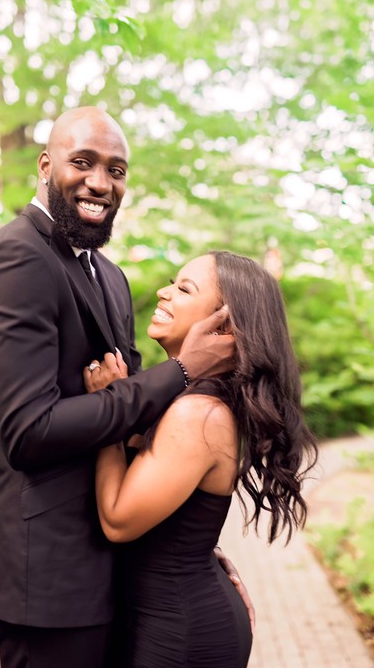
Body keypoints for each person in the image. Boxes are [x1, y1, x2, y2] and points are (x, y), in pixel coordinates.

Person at [0, 106, 252, 668]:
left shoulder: (108, 275)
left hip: (115, 568)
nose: (100, 182)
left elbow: (134, 419)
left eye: (116, 170)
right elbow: (30, 431)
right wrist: (183, 370)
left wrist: (190, 552)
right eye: (83, 163)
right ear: (46, 166)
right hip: (44, 579)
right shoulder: (12, 259)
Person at [88, 250, 318, 668]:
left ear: (224, 326)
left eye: (183, 288)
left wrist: (107, 409)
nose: (163, 292)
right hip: (165, 617)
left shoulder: (198, 414)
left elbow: (118, 521)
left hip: (181, 632)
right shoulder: (184, 396)